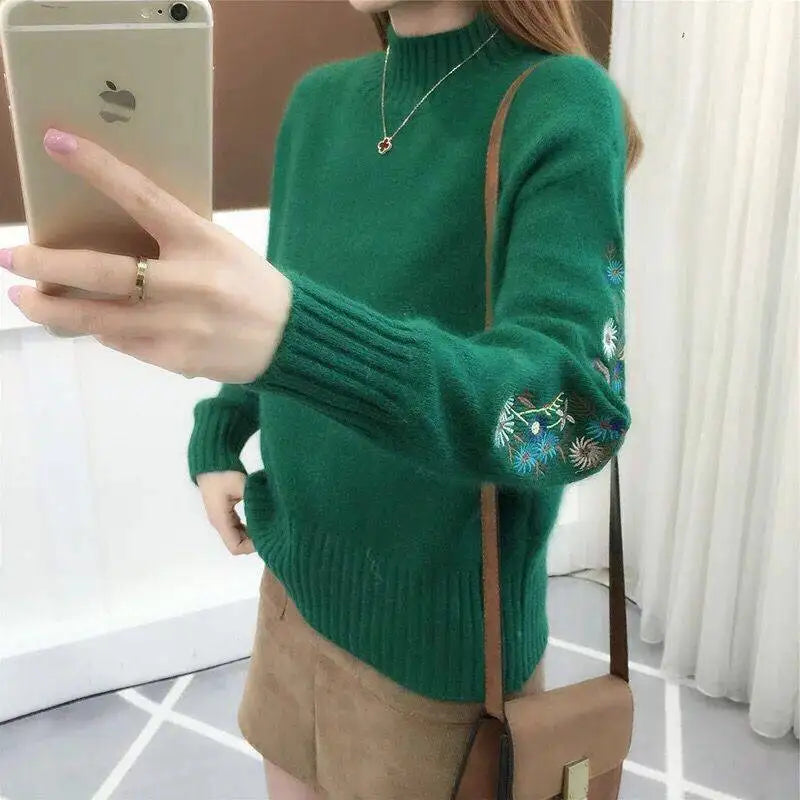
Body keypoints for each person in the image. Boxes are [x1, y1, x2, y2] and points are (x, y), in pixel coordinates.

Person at [3, 1, 640, 797]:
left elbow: (578, 414)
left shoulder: (559, 100)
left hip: (438, 651)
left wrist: (289, 330)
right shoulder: (319, 103)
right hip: (291, 590)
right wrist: (221, 429)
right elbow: (288, 298)